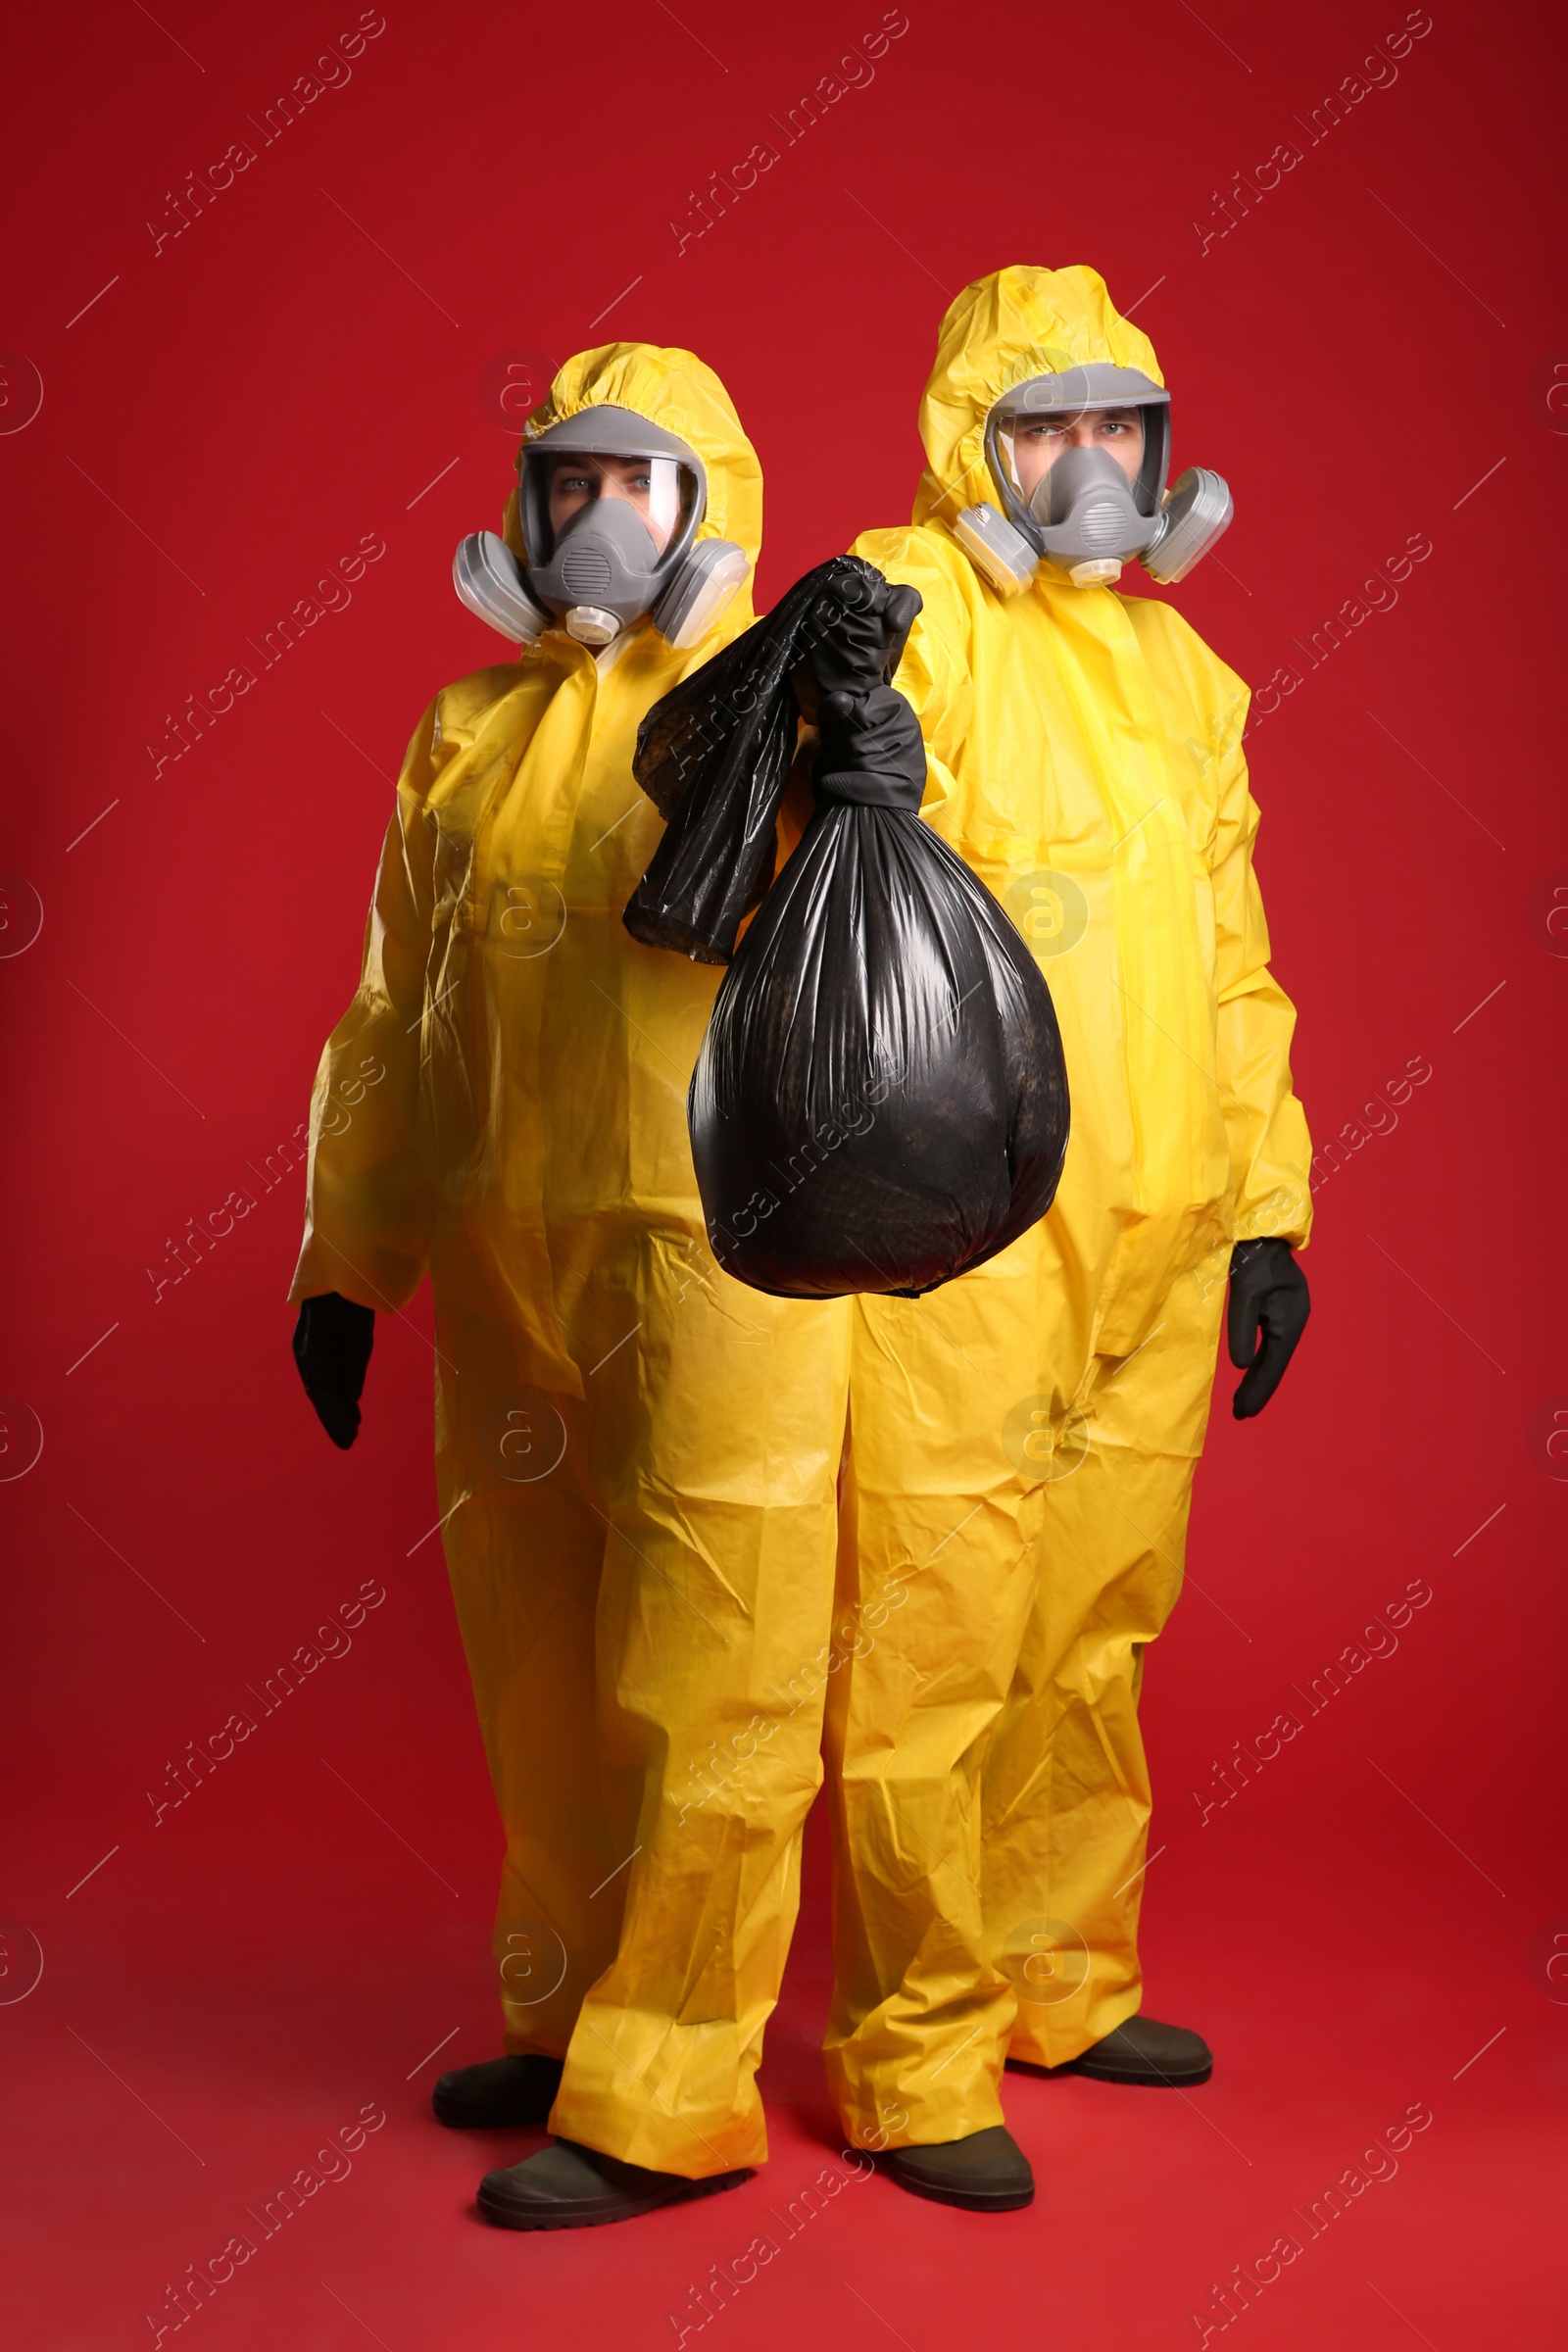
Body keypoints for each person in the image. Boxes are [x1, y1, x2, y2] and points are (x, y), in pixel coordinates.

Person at [289, 342, 858, 2230]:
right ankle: (565, 2014)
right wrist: (347, 1257)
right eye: (570, 487)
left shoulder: (776, 709)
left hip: (719, 1253)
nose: (600, 523)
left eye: (645, 486)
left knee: (718, 1669)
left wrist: (870, 774)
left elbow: (883, 958)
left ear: (715, 509)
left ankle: (668, 2090)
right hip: (507, 1259)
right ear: (526, 509)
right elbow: (394, 1006)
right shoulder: (462, 731)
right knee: (540, 1670)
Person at [812, 266, 1312, 2211]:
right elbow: (785, 830)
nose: (1089, 464)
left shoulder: (1186, 681)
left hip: (1164, 1231)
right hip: (966, 1232)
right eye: (1048, 428)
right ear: (972, 446)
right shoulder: (908, 605)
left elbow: (1236, 970)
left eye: (1119, 430)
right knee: (938, 1641)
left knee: (1094, 1627)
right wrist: (826, 713)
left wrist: (1263, 1210)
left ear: (1159, 453)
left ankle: (1058, 1974)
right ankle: (915, 2056)